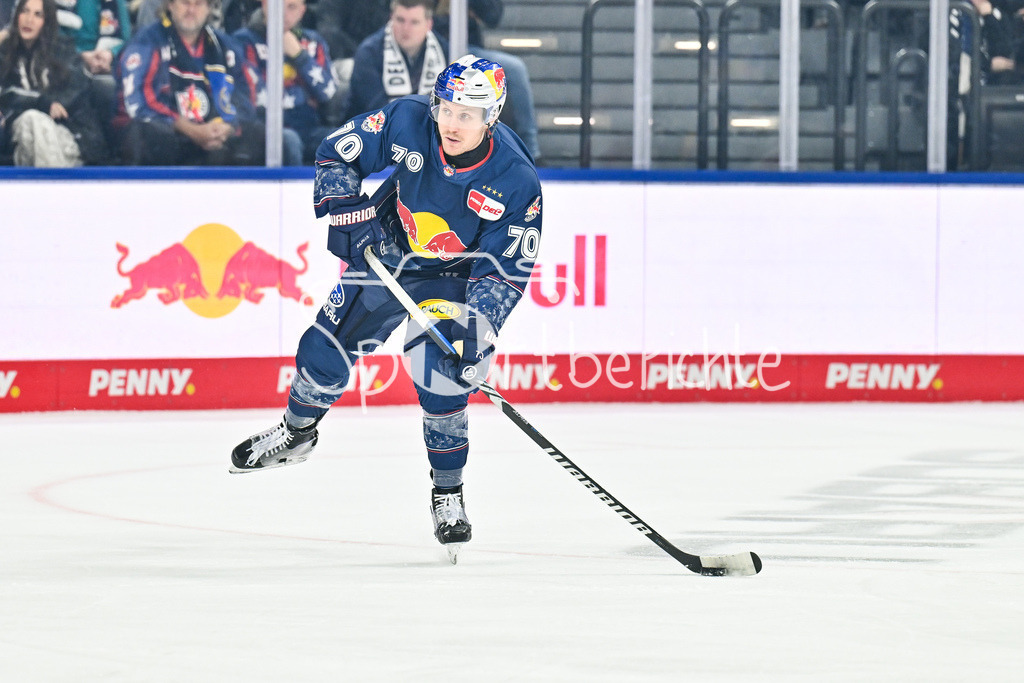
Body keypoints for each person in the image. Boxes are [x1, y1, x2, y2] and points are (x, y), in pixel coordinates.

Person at [230, 55, 543, 558]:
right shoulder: (406, 118)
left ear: (493, 116)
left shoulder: (516, 179)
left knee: (440, 374)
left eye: (468, 114)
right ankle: (296, 433)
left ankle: (448, 493)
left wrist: (477, 327)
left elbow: (505, 269)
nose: (452, 122)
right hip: (388, 254)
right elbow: (337, 153)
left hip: (453, 276)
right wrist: (348, 212)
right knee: (322, 348)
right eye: (447, 108)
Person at [115, 0, 264, 165]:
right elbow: (140, 104)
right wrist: (191, 130)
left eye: (198, 4)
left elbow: (248, 93)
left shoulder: (223, 45)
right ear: (170, 5)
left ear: (209, 8)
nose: (191, 10)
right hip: (167, 139)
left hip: (212, 136)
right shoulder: (147, 42)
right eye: (185, 3)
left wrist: (228, 127)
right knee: (149, 132)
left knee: (263, 135)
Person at [0, 0, 107, 165]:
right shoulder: (5, 54)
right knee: (31, 121)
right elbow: (6, 94)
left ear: (47, 21)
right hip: (23, 135)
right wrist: (41, 103)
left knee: (34, 122)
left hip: (70, 135)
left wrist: (43, 105)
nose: (29, 20)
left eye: (38, 15)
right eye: (25, 12)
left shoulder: (64, 50)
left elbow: (73, 96)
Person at [233, 0, 337, 165]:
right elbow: (254, 95)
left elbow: (327, 92)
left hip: (309, 127)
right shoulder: (244, 41)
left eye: (292, 7)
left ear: (302, 11)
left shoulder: (313, 41)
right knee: (290, 141)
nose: (283, 14)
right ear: (265, 4)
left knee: (350, 142)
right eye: (279, 6)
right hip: (264, 128)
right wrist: (302, 94)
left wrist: (299, 56)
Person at [432, 0, 540, 159]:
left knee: (515, 69)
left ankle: (530, 151)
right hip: (425, 44)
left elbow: (493, 16)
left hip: (467, 49)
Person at [345, 0, 447, 118]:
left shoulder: (444, 50)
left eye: (414, 22)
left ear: (429, 25)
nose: (406, 29)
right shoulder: (369, 53)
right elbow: (376, 110)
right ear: (391, 18)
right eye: (400, 20)